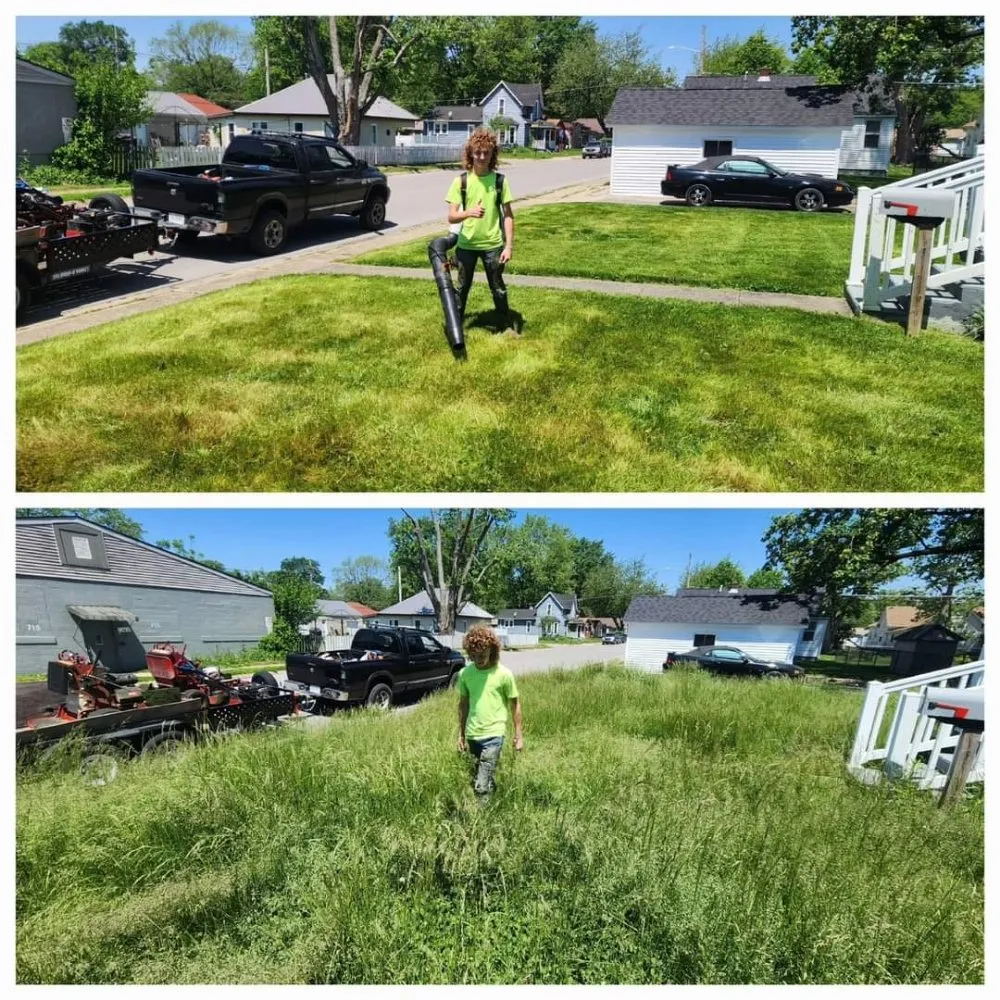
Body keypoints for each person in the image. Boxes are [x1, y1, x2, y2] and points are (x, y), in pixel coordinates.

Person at [445, 128, 519, 335]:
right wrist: (469, 212)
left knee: (498, 287)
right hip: (466, 246)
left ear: (492, 154)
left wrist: (509, 246)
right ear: (470, 153)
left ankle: (505, 326)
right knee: (460, 290)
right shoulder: (461, 182)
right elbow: (451, 216)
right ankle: (456, 328)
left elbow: (508, 216)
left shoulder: (500, 181)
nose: (482, 157)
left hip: (493, 246)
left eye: (486, 152)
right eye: (478, 152)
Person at [456, 624, 524, 805]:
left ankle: (481, 823)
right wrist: (461, 734)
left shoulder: (504, 674)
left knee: (481, 784)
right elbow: (463, 705)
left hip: (494, 734)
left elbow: (515, 704)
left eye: (483, 655)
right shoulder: (465, 674)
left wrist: (519, 735)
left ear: (492, 650)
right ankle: (496, 806)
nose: (479, 660)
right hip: (473, 735)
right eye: (474, 656)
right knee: (484, 776)